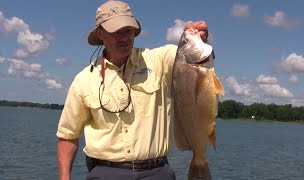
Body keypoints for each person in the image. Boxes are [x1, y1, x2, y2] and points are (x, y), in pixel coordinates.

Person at [56, 0, 210, 179]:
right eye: (116, 31)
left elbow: (191, 59)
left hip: (157, 172)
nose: (124, 37)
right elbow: (68, 135)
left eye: (128, 30)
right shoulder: (83, 80)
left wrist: (198, 36)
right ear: (100, 34)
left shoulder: (159, 60)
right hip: (105, 173)